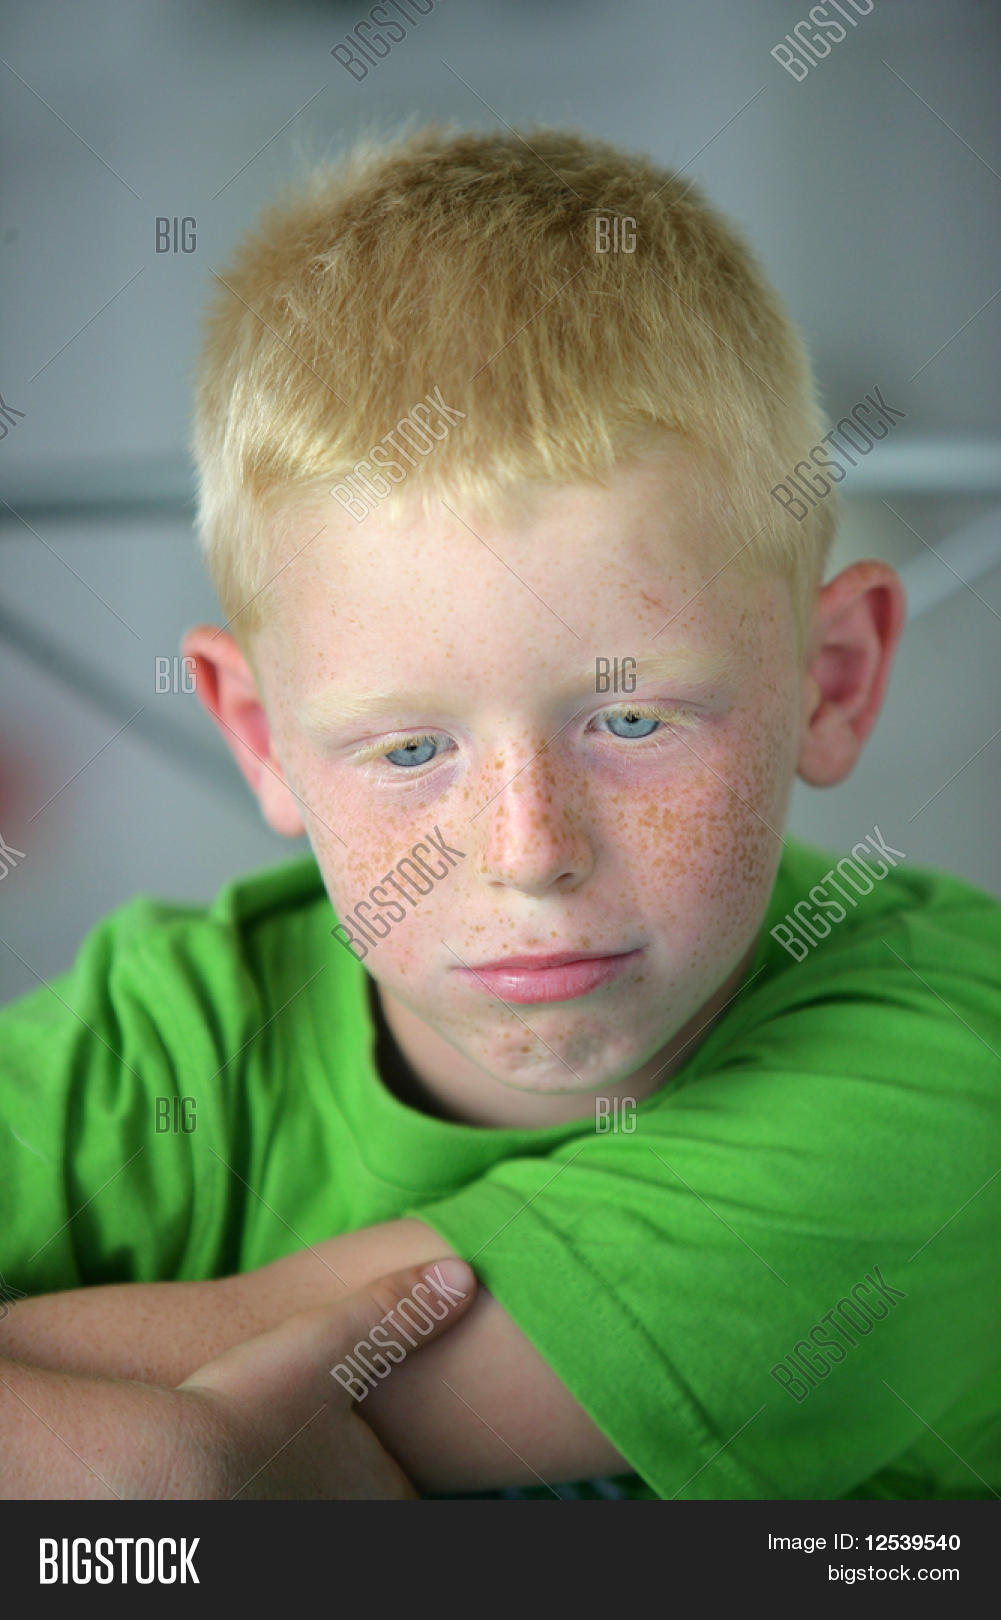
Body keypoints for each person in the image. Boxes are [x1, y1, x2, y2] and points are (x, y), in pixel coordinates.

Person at [2, 124, 998, 1500]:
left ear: (831, 682)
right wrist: (136, 1453)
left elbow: (296, 1372)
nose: (527, 854)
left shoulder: (947, 1079)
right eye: (408, 748)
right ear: (259, 734)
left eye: (631, 722)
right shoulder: (160, 1050)